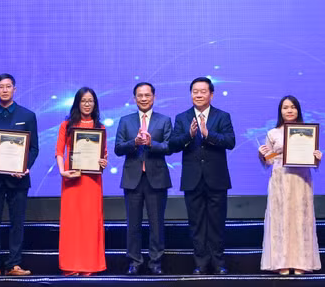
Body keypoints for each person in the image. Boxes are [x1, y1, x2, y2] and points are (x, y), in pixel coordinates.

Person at [169, 77, 235, 275]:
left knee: (217, 223)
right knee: (196, 224)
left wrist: (208, 134)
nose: (198, 95)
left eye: (203, 91)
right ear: (191, 94)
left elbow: (230, 141)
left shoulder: (222, 116)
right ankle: (201, 264)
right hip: (192, 179)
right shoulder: (182, 118)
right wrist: (189, 135)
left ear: (211, 95)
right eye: (195, 91)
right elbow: (173, 145)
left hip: (217, 178)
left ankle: (218, 263)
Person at [0, 73, 39, 277]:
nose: (5, 90)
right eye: (1, 87)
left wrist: (25, 166)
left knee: (17, 223)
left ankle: (14, 264)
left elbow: (34, 148)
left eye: (8, 86)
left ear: (14, 89)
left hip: (18, 179)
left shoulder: (27, 115)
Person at [259, 95, 322, 275]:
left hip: (301, 179)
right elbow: (270, 159)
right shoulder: (272, 133)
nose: (289, 110)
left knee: (301, 218)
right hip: (281, 179)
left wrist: (317, 158)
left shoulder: (307, 132)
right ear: (280, 111)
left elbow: (311, 158)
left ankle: (301, 261)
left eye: (293, 107)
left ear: (298, 110)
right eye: (285, 107)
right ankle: (282, 261)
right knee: (281, 218)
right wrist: (263, 155)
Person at [114, 82, 172, 275]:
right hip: (133, 179)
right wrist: (135, 142)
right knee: (133, 224)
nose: (144, 98)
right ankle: (135, 262)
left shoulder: (164, 120)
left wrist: (151, 143)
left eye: (147, 95)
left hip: (156, 178)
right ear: (134, 98)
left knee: (157, 224)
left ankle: (156, 262)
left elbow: (169, 147)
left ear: (154, 97)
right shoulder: (125, 121)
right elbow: (118, 148)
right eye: (140, 95)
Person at [56, 87, 108, 276]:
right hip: (72, 179)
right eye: (84, 101)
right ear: (78, 103)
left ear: (95, 104)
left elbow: (103, 155)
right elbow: (59, 151)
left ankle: (89, 265)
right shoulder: (66, 125)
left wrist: (103, 163)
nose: (87, 104)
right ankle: (71, 265)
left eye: (90, 101)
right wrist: (62, 171)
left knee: (90, 222)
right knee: (72, 223)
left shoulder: (100, 127)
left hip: (92, 181)